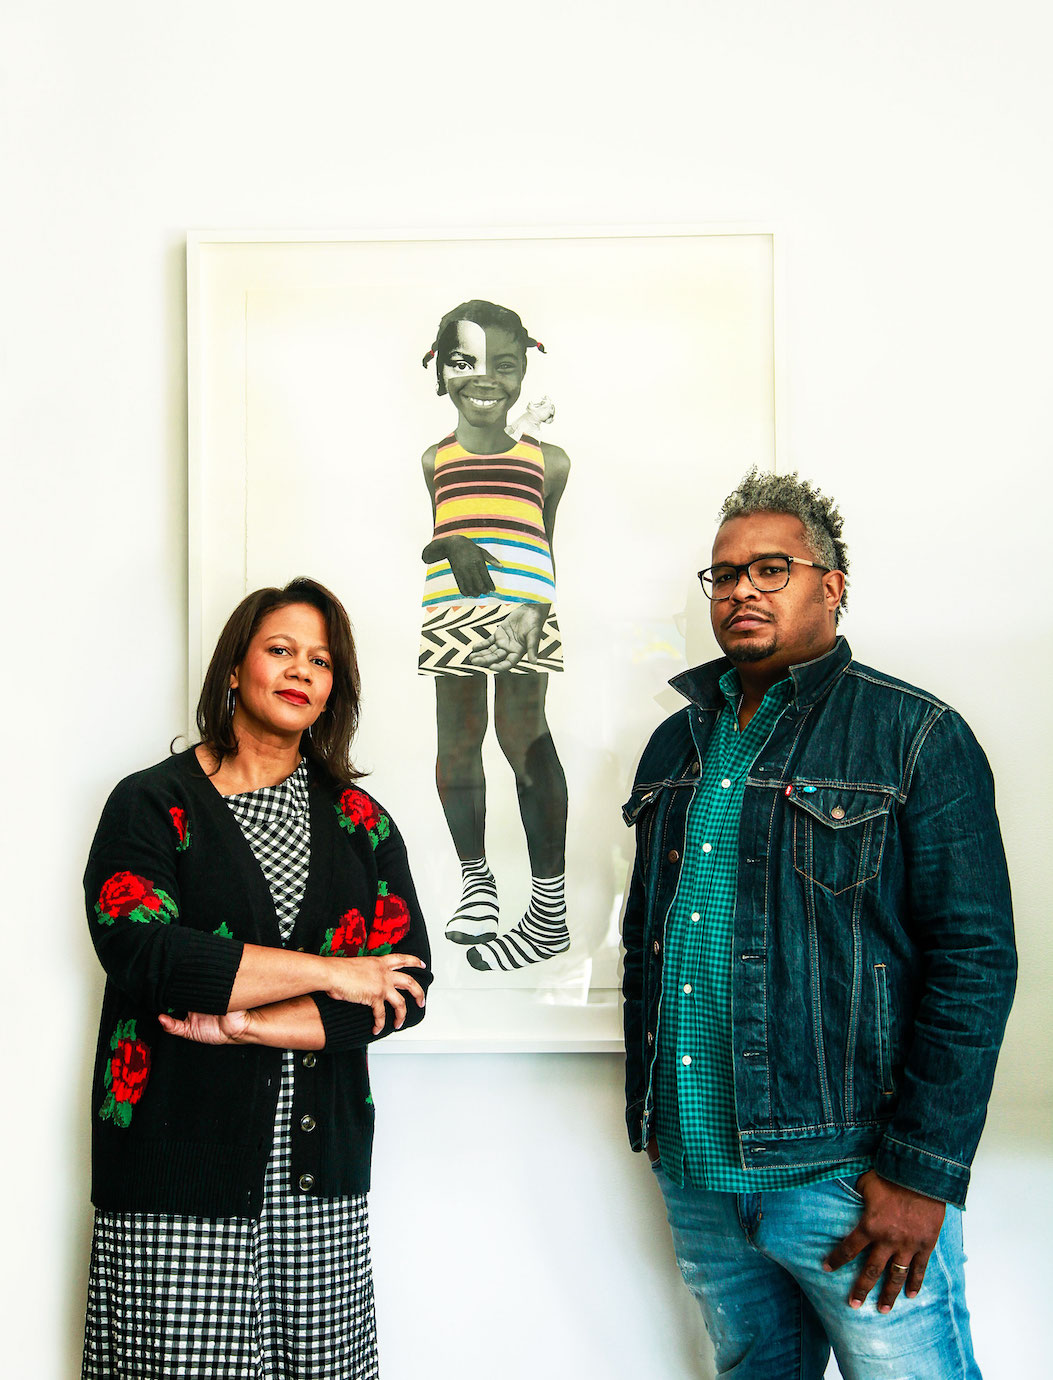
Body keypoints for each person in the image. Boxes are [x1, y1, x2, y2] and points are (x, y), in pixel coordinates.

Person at [621, 470, 1015, 1379]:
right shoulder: (673, 745)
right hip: (701, 1181)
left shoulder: (914, 735)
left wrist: (921, 1173)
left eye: (771, 569)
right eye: (723, 576)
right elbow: (652, 943)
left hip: (849, 1183)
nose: (741, 591)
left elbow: (976, 961)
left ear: (830, 586)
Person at [82, 577, 431, 1380]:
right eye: (279, 649)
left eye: (320, 659)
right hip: (175, 1176)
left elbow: (402, 989)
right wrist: (333, 976)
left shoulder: (360, 823)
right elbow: (146, 955)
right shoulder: (151, 804)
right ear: (234, 668)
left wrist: (244, 1022)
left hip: (318, 1184)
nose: (299, 670)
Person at [418, 299, 571, 971]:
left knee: (522, 738)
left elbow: (544, 541)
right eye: (463, 361)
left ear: (522, 372)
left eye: (502, 364)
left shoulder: (551, 460)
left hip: (523, 612)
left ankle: (548, 911)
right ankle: (476, 883)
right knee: (456, 742)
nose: (483, 378)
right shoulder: (432, 459)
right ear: (439, 371)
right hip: (452, 613)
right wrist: (449, 541)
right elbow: (437, 538)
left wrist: (536, 606)